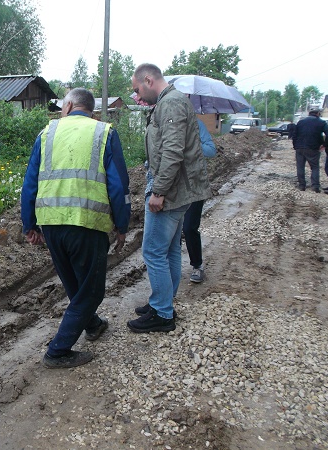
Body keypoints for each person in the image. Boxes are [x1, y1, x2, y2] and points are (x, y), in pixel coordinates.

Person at [21, 88, 131, 369]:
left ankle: (92, 325)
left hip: (51, 223)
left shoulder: (47, 133)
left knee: (74, 283)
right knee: (91, 291)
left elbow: (30, 182)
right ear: (91, 110)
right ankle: (58, 351)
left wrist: (29, 225)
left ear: (68, 105)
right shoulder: (104, 133)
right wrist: (122, 226)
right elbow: (119, 187)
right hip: (87, 223)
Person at [129, 63, 211, 333]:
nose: (138, 96)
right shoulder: (169, 102)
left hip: (171, 191)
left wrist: (159, 191)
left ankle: (163, 313)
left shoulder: (171, 103)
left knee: (153, 250)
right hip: (176, 189)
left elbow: (173, 151)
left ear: (149, 80)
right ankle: (163, 302)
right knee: (170, 249)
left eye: (138, 89)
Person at [183, 119, 217, 283]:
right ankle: (170, 268)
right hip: (172, 186)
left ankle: (197, 265)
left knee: (189, 227)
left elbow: (211, 150)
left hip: (195, 185)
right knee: (172, 231)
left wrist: (191, 145)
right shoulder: (164, 123)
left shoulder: (197, 125)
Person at [291, 108, 328, 193]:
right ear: (318, 114)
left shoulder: (301, 122)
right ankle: (315, 186)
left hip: (300, 148)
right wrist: (324, 144)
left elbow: (295, 135)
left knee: (300, 166)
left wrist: (295, 146)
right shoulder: (321, 122)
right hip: (313, 148)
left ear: (309, 113)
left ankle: (302, 185)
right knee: (315, 167)